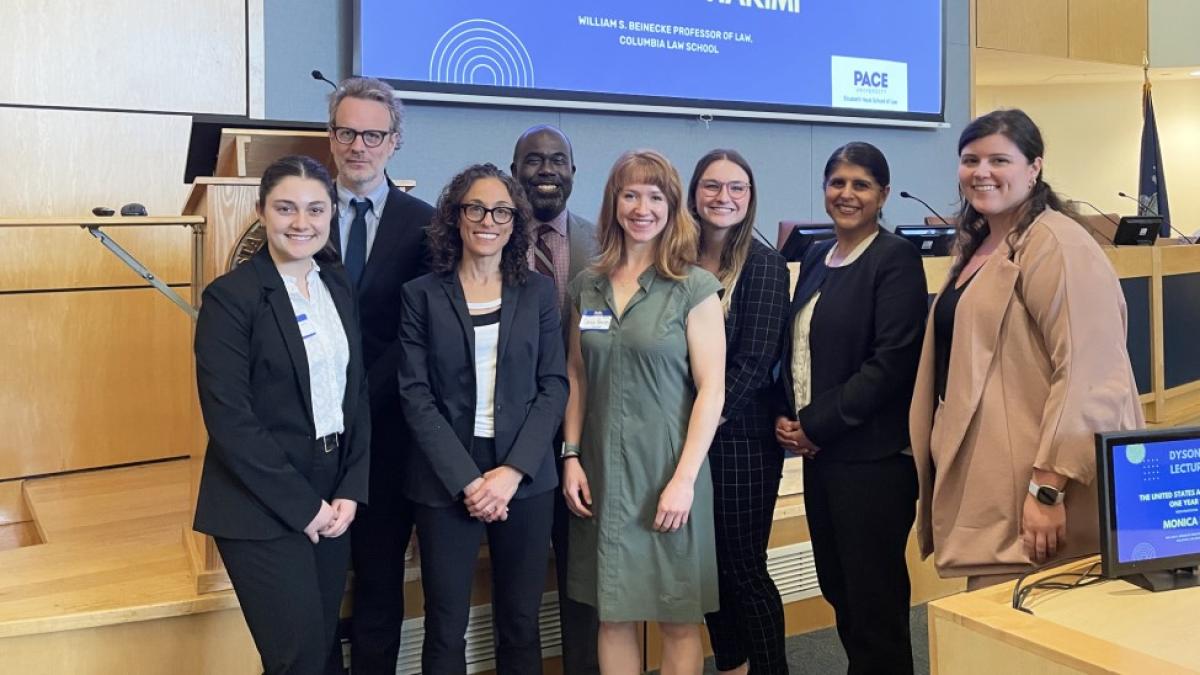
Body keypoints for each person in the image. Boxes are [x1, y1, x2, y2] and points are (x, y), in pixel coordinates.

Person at [909, 109, 1144, 590]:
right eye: (970, 160)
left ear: (1034, 167)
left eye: (1000, 160)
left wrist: (1047, 488)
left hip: (1037, 496)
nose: (982, 172)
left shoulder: (1056, 244)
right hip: (991, 488)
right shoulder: (982, 245)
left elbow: (1092, 374)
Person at [193, 155, 370, 675]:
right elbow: (230, 419)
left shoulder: (336, 286)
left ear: (331, 213)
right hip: (260, 502)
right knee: (297, 660)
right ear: (261, 211)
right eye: (286, 208)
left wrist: (350, 489)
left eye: (316, 209)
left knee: (321, 654)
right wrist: (305, 507)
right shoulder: (231, 298)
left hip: (332, 491)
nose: (301, 222)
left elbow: (355, 392)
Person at [397, 163, 568, 674]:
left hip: (525, 476)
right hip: (445, 476)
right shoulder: (421, 294)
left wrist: (512, 473)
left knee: (520, 621)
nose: (487, 219)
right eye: (475, 207)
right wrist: (469, 481)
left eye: (500, 210)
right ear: (456, 216)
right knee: (445, 624)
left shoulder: (537, 292)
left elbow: (553, 384)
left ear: (515, 222)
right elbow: (415, 393)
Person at [562, 149, 726, 674]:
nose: (642, 207)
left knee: (677, 617)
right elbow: (576, 375)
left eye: (655, 196)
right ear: (614, 203)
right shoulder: (587, 286)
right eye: (630, 194)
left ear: (672, 207)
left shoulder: (692, 287)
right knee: (613, 615)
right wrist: (570, 456)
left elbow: (712, 390)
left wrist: (684, 480)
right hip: (602, 478)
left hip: (667, 475)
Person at [775, 143, 927, 674]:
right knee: (840, 590)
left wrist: (813, 425)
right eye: (837, 182)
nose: (847, 194)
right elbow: (797, 347)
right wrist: (788, 413)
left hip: (873, 463)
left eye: (861, 184)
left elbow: (890, 366)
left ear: (883, 195)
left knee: (874, 604)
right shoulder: (817, 257)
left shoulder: (896, 259)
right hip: (823, 461)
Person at [325, 76, 435, 675]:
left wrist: (360, 400)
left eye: (373, 134)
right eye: (347, 132)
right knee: (314, 582)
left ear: (395, 142)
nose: (358, 146)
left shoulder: (425, 223)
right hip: (310, 433)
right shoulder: (301, 212)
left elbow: (418, 334)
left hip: (390, 431)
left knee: (378, 580)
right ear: (331, 136)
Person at [687, 149, 790, 675]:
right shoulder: (676, 259)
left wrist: (701, 423)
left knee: (744, 568)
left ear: (750, 198)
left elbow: (754, 363)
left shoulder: (765, 264)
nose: (723, 198)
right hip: (688, 444)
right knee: (709, 571)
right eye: (711, 186)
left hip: (741, 442)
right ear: (694, 193)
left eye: (736, 188)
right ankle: (732, 666)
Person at [510, 123, 601, 674]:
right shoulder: (489, 239)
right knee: (517, 592)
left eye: (557, 160)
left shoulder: (604, 243)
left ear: (572, 171)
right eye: (533, 160)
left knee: (583, 586)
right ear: (515, 169)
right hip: (510, 438)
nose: (546, 170)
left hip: (585, 437)